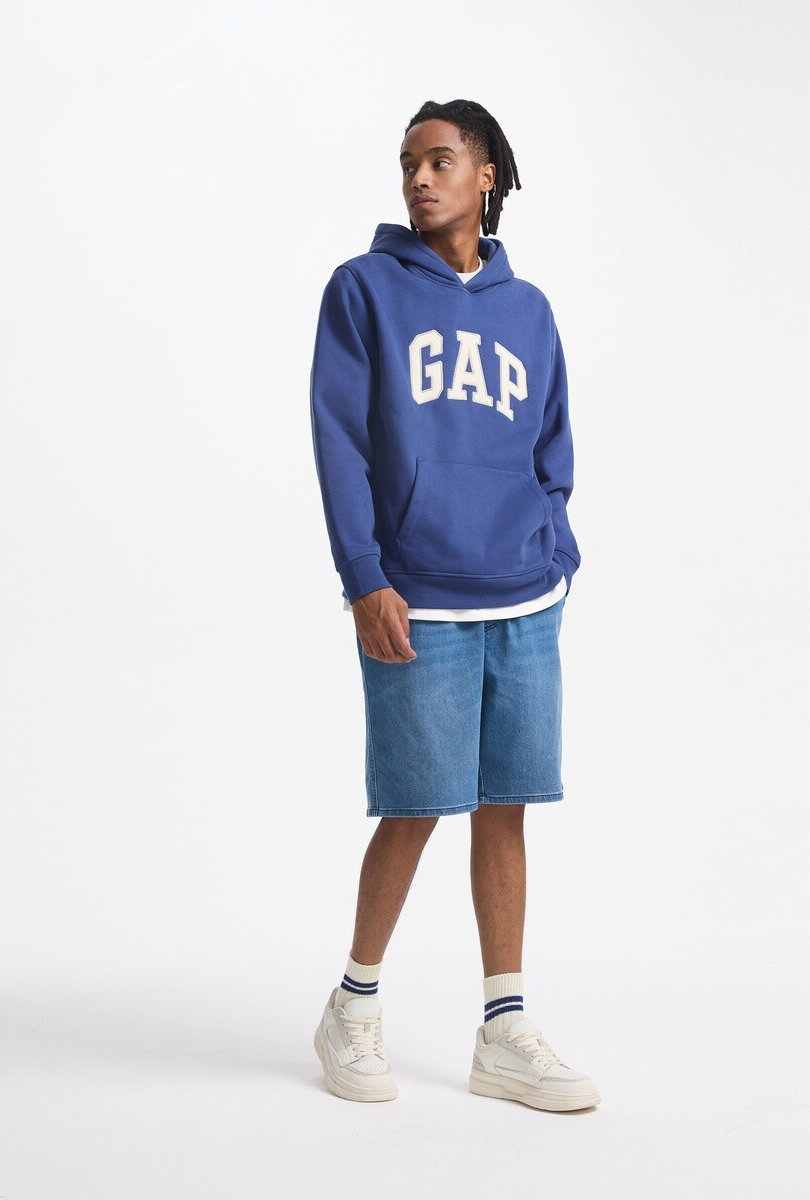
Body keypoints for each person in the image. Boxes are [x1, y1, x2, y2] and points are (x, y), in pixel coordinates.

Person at [308, 98, 599, 1112]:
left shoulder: (530, 310)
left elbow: (554, 446)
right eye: (408, 164)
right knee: (414, 806)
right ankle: (351, 1006)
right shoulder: (363, 290)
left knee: (506, 805)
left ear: (487, 176)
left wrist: (555, 550)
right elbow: (340, 441)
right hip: (415, 598)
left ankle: (504, 1027)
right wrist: (364, 576)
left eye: (439, 160)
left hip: (524, 596)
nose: (419, 179)